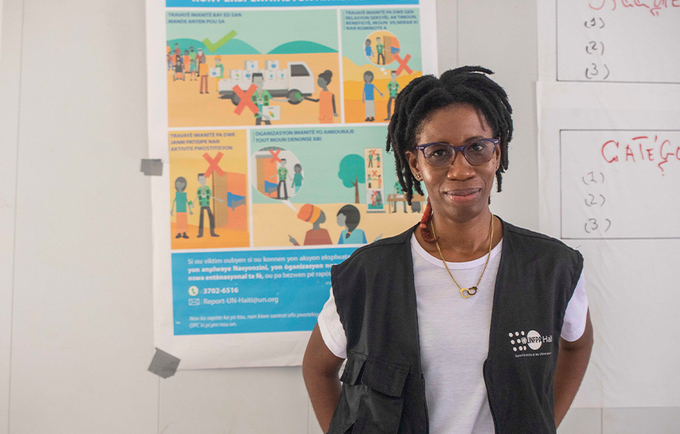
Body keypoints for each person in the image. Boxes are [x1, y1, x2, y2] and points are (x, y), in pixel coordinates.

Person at [302, 66, 593, 434]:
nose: (460, 170)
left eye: (476, 148)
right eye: (439, 153)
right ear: (415, 164)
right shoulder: (368, 274)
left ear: (497, 154)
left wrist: (544, 422)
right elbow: (317, 367)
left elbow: (578, 346)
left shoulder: (552, 267)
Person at [195, 173, 223, 237]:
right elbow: (196, 197)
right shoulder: (199, 189)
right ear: (198, 181)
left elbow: (211, 196)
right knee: (201, 220)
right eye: (201, 180)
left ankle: (212, 233)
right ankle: (200, 234)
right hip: (201, 205)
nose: (202, 181)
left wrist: (218, 199)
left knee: (211, 218)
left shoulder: (207, 188)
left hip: (207, 205)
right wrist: (193, 203)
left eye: (204, 179)